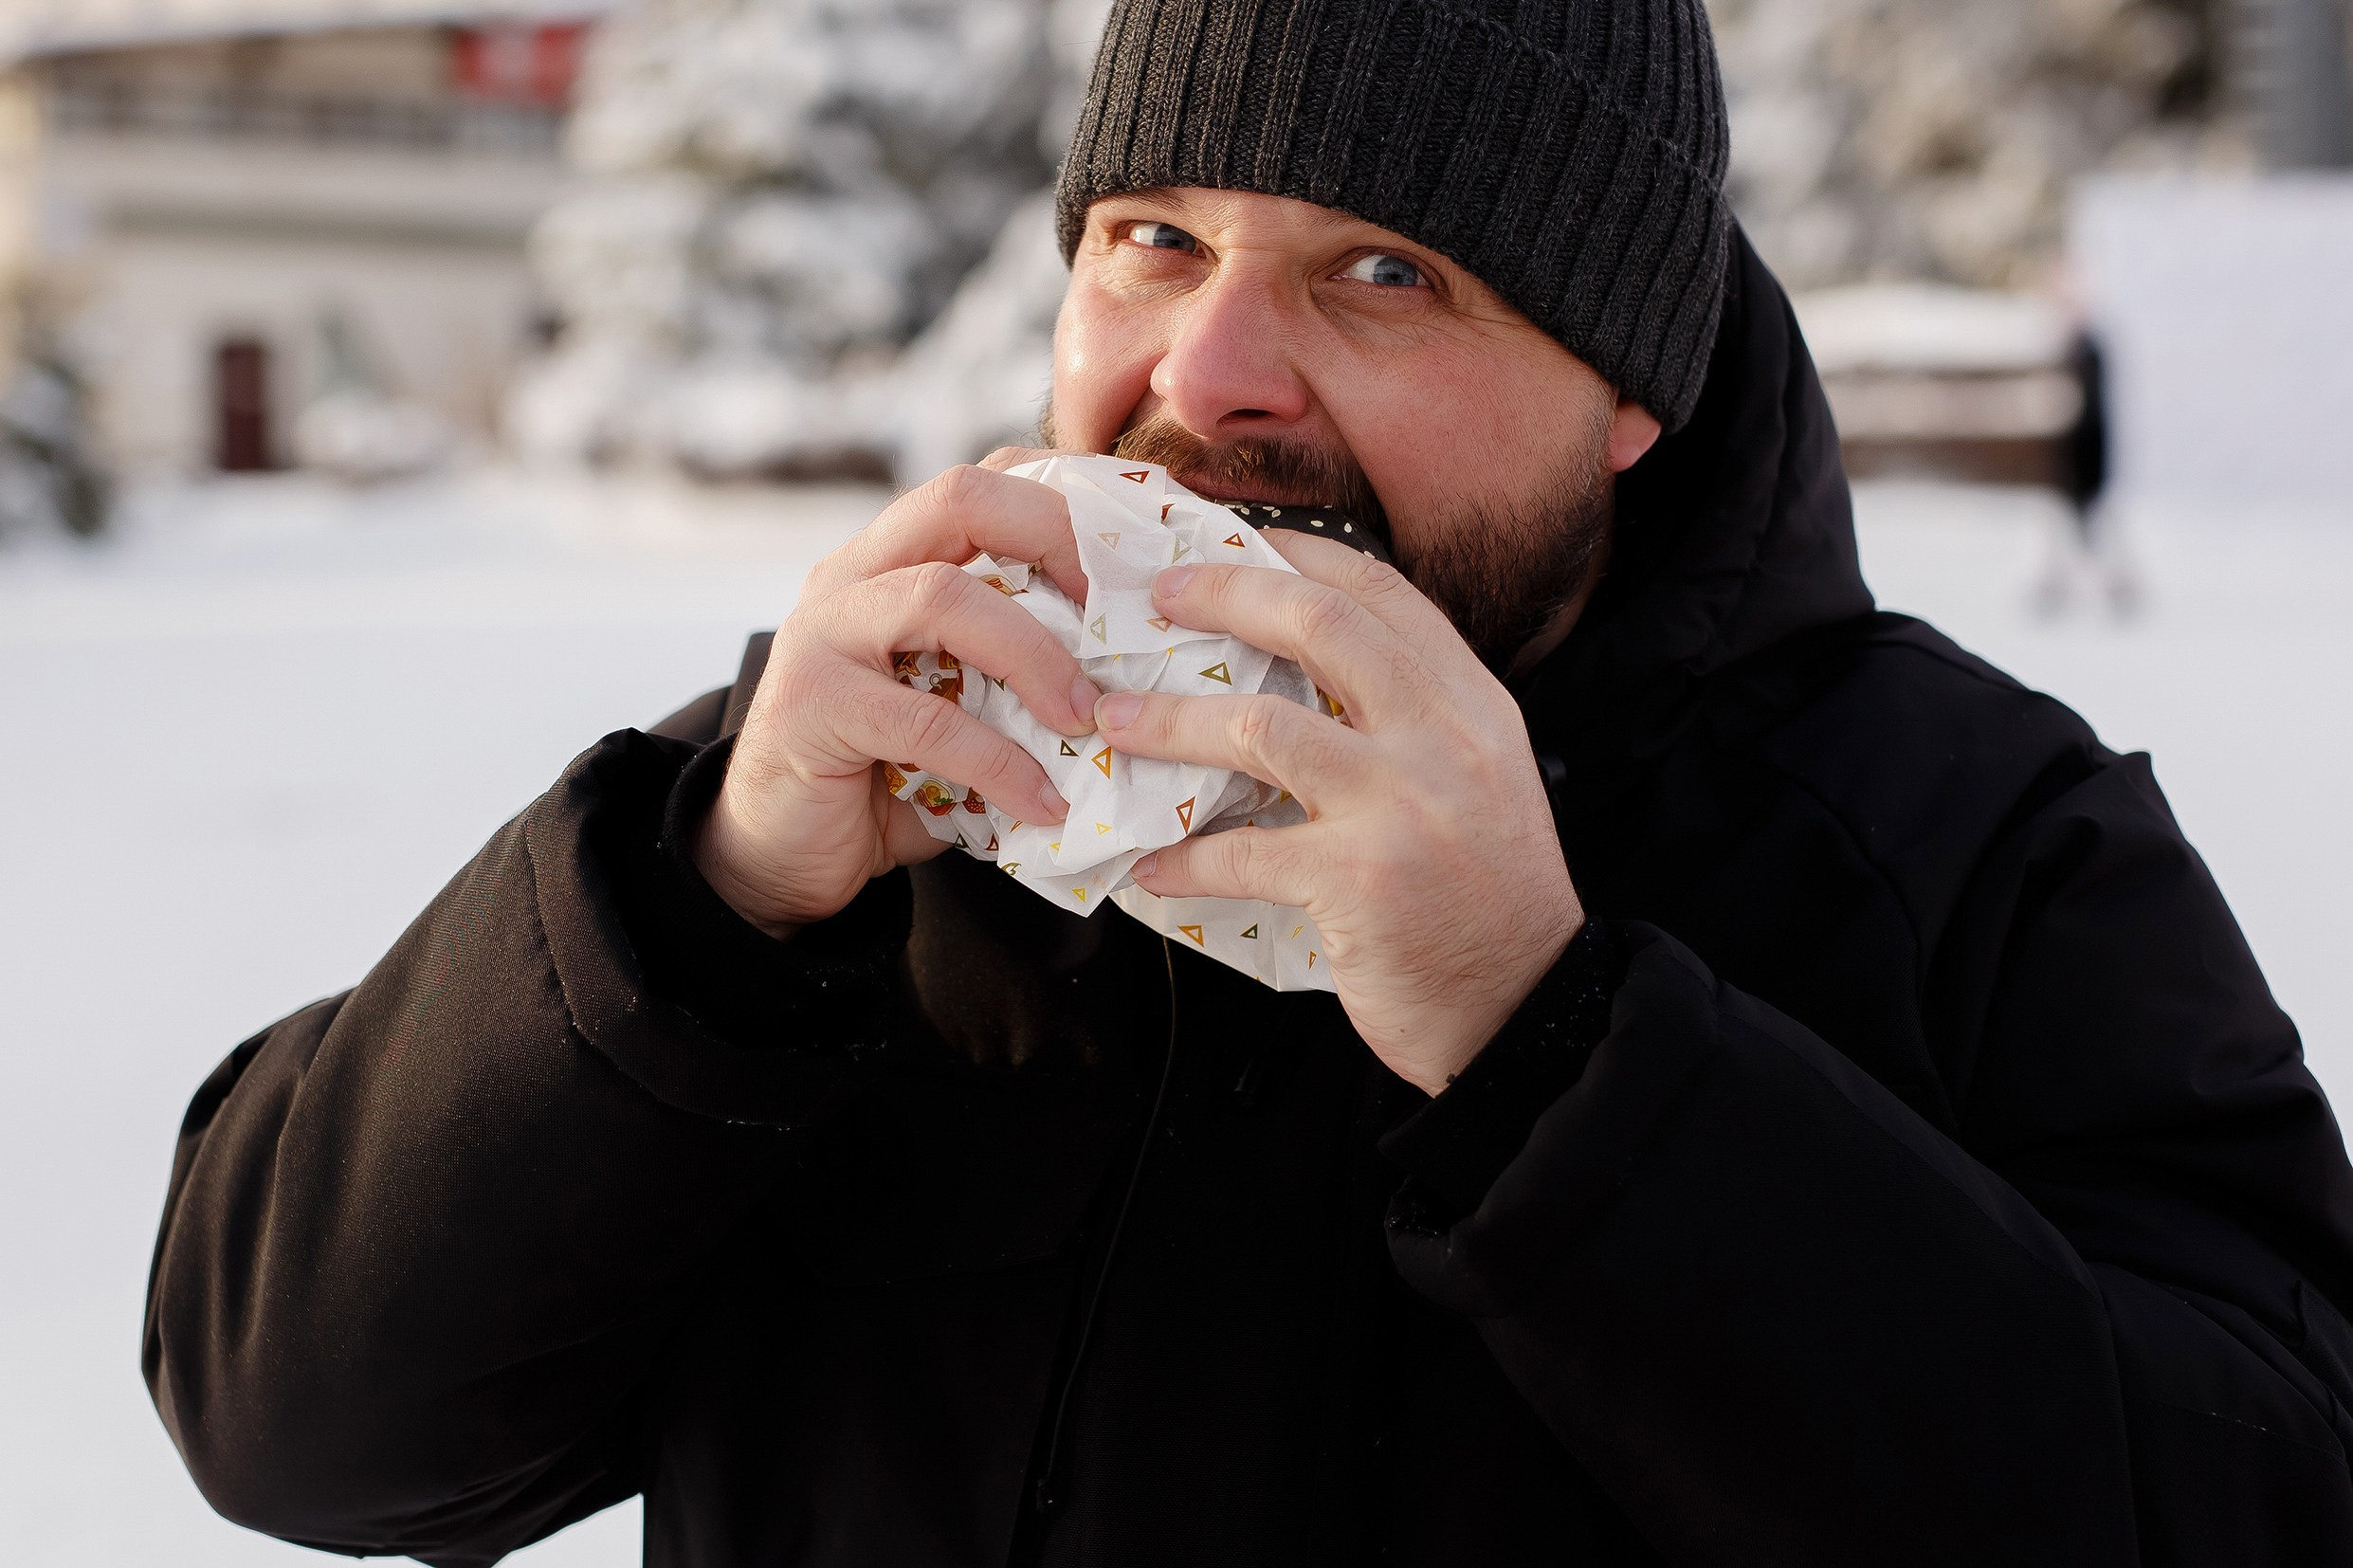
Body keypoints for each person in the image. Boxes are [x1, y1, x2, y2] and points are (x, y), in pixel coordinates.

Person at [144, 1, 2353, 1563]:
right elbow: (298, 1425)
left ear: (1626, 395)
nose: (1205, 379)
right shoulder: (871, 786)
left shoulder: (1974, 848)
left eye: (1383, 272)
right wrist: (701, 904)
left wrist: (1554, 1044)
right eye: (1154, 238)